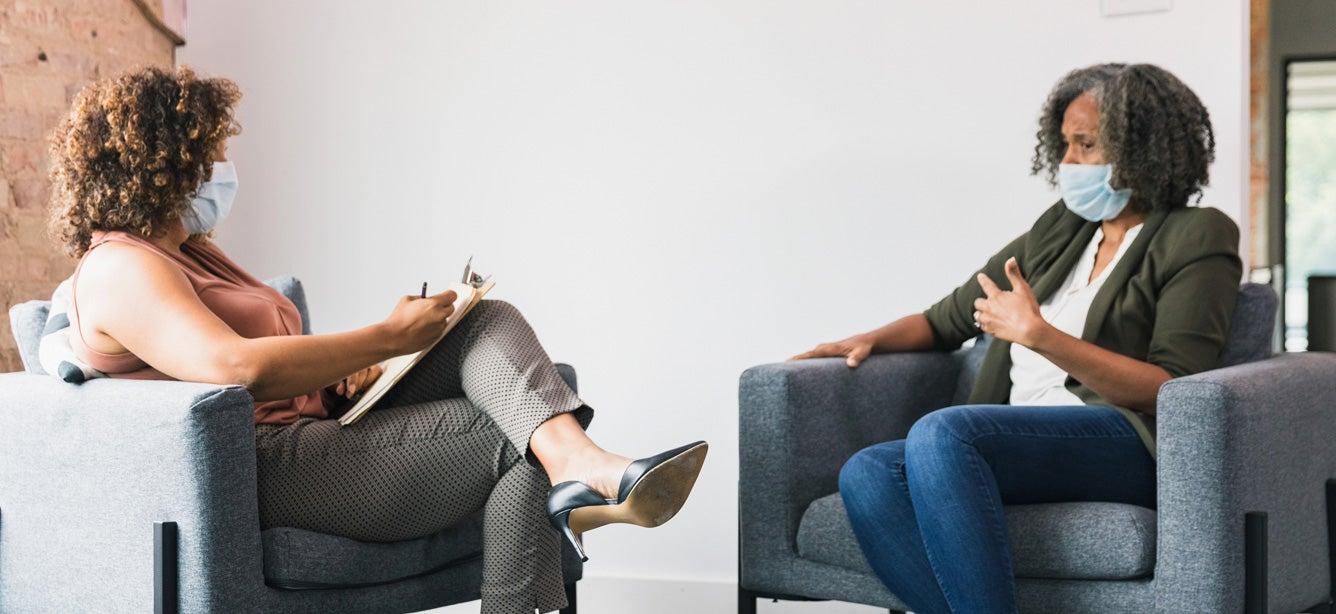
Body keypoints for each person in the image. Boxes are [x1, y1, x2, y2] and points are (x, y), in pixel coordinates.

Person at [45, 66, 707, 614]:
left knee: (487, 321)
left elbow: (261, 356)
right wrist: (385, 339)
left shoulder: (189, 252)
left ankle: (580, 463)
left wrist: (343, 377)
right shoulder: (118, 267)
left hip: (317, 426)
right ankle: (576, 477)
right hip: (266, 467)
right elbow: (234, 366)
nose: (222, 165)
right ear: (166, 159)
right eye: (211, 150)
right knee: (517, 436)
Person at [791, 63, 1240, 613]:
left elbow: (1172, 386)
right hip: (1019, 438)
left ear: (1140, 149)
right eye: (1065, 145)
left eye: (1086, 145)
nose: (1068, 162)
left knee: (943, 434)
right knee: (868, 472)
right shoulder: (1061, 230)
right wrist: (869, 340)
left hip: (1122, 441)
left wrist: (1041, 336)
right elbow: (948, 318)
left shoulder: (1197, 234)